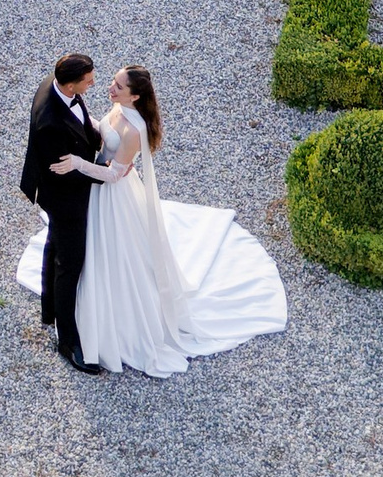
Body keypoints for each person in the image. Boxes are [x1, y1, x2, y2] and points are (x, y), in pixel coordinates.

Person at [16, 64, 288, 378]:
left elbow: (116, 174)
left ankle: (101, 320)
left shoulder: (135, 131)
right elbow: (96, 128)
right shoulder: (112, 106)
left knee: (108, 255)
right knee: (70, 252)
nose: (109, 87)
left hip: (111, 193)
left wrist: (78, 161)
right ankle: (58, 314)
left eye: (118, 86)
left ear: (135, 95)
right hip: (88, 194)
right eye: (112, 82)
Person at [18, 52, 106, 370]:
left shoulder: (57, 85)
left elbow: (81, 121)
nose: (93, 83)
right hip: (63, 196)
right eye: (88, 80)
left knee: (54, 245)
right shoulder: (50, 123)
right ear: (70, 85)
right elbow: (64, 170)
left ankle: (49, 309)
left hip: (60, 190)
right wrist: (105, 174)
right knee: (70, 264)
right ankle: (67, 342)